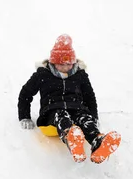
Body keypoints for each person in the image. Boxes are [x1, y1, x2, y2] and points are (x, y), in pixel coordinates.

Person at [17, 34, 122, 164]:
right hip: (52, 110)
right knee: (61, 116)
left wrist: (94, 117)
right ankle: (71, 137)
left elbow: (90, 97)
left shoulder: (80, 75)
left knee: (84, 118)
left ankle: (97, 141)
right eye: (61, 64)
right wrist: (24, 116)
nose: (65, 68)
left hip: (77, 108)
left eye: (68, 64)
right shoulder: (43, 74)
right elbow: (26, 93)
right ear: (53, 62)